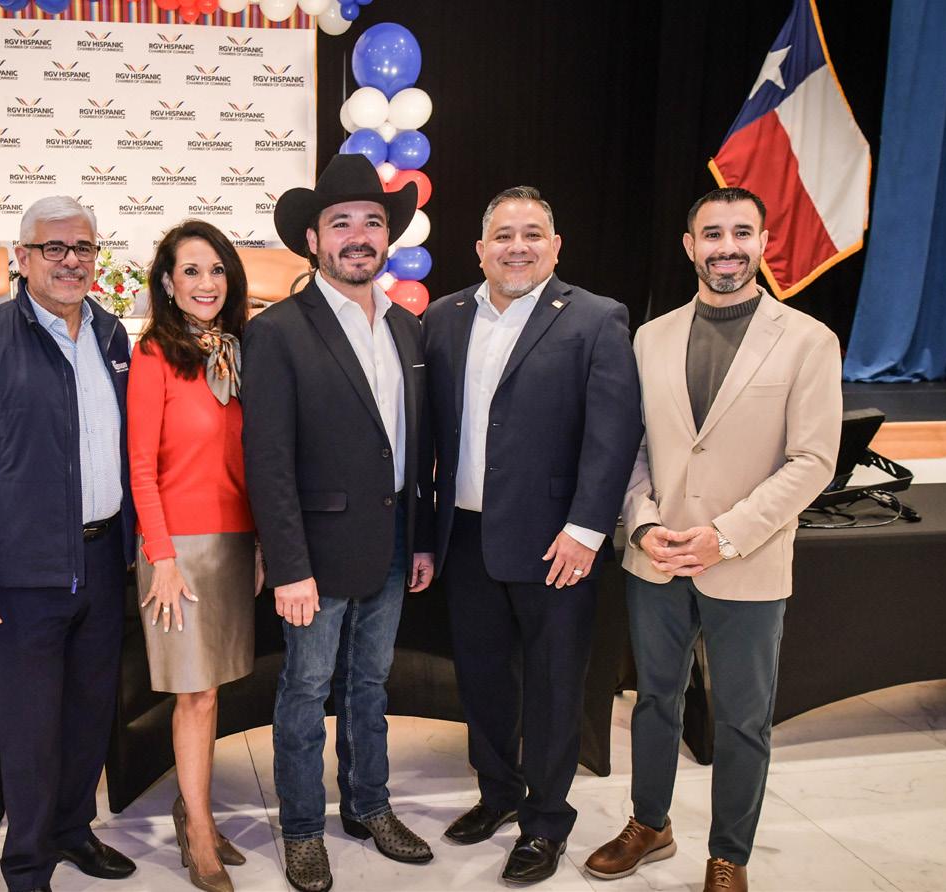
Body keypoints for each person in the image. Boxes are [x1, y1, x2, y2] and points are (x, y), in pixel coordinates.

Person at [584, 187, 842, 892]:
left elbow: (813, 461)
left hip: (747, 562)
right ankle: (650, 823)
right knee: (653, 702)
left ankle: (729, 854)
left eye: (742, 233)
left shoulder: (809, 340)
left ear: (764, 243)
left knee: (743, 719)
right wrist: (642, 523)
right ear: (690, 245)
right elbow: (631, 447)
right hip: (657, 558)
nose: (727, 247)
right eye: (713, 233)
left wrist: (725, 537)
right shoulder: (650, 337)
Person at [422, 187, 643, 885]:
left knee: (552, 687)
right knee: (482, 680)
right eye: (503, 235)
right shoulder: (443, 317)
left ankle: (546, 822)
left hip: (557, 543)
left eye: (532, 234)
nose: (517, 246)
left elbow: (613, 435)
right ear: (479, 249)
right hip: (465, 537)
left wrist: (586, 529)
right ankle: (498, 795)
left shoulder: (597, 319)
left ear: (555, 246)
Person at [243, 154, 435, 892]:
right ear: (314, 240)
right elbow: (268, 460)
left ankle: (369, 806)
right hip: (314, 556)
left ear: (389, 237)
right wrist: (288, 565)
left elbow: (415, 446)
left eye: (373, 222)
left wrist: (419, 539)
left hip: (391, 543)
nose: (359, 235)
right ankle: (301, 828)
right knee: (304, 690)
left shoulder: (408, 328)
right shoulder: (279, 331)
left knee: (371, 685)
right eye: (341, 222)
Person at [0, 196, 137, 892]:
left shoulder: (112, 335)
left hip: (103, 560)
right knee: (28, 731)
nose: (69, 261)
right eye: (53, 248)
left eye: (82, 247)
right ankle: (26, 864)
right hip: (23, 571)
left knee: (89, 715)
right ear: (21, 257)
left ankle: (73, 829)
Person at [128, 220, 256, 892]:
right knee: (195, 694)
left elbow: (253, 462)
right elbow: (140, 468)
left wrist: (258, 544)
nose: (206, 283)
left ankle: (193, 807)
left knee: (212, 690)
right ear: (168, 283)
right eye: (191, 271)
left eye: (216, 270)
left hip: (233, 546)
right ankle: (199, 831)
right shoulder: (154, 354)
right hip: (177, 550)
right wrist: (163, 556)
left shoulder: (237, 352)